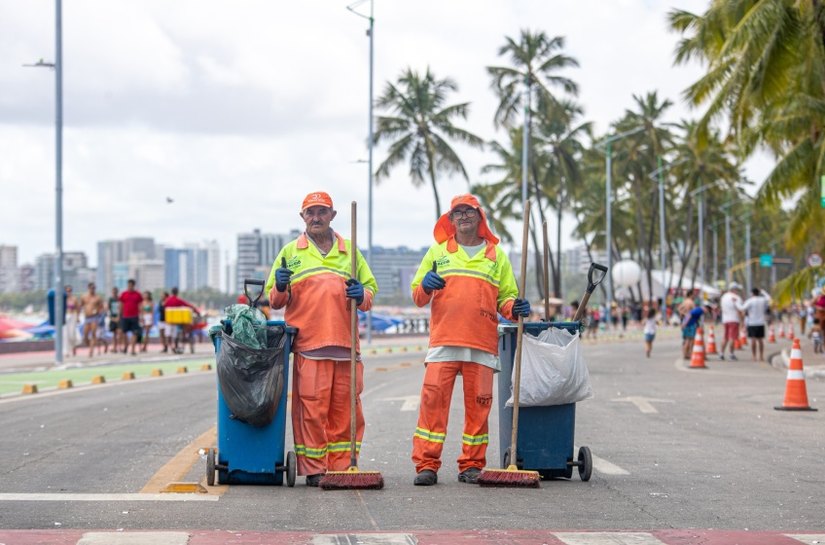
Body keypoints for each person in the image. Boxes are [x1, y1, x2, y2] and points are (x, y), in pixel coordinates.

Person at [409, 193, 530, 486]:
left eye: (469, 211)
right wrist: (426, 284)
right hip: (443, 344)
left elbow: (506, 298)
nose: (464, 216)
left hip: (482, 345)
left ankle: (472, 465)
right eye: (458, 212)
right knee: (432, 406)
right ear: (451, 220)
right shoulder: (437, 253)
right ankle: (426, 465)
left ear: (479, 217)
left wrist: (516, 308)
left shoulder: (495, 256)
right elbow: (417, 296)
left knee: (479, 410)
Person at [265, 191, 378, 487]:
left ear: (332, 215)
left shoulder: (350, 251)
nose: (316, 217)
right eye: (310, 212)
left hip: (345, 346)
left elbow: (369, 293)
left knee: (346, 411)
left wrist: (361, 294)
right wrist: (279, 285)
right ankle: (315, 469)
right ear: (302, 217)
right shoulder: (291, 252)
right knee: (311, 412)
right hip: (308, 347)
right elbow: (275, 301)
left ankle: (341, 467)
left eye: (322, 212)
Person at [163, 287, 200, 354]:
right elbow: (188, 305)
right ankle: (186, 341)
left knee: (171, 335)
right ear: (177, 292)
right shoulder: (178, 300)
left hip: (170, 321)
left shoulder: (168, 300)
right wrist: (197, 311)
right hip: (180, 321)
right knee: (187, 330)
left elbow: (164, 308)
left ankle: (172, 347)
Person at [737, 288, 769, 362]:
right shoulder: (762, 299)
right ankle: (761, 356)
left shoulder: (750, 301)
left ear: (752, 293)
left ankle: (754, 356)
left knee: (753, 340)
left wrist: (736, 302)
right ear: (758, 293)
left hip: (752, 323)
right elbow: (769, 298)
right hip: (761, 322)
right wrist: (763, 292)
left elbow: (742, 308)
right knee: (760, 340)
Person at [719, 282, 744, 361]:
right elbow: (740, 309)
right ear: (734, 289)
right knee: (732, 338)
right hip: (734, 319)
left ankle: (721, 353)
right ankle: (731, 354)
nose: (737, 291)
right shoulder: (736, 297)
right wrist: (742, 321)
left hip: (725, 319)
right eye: (737, 290)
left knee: (725, 337)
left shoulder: (723, 297)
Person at [119, 279, 143, 355]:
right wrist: (120, 315)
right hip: (125, 316)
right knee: (123, 333)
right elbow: (121, 305)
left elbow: (140, 306)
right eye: (128, 285)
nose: (129, 287)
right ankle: (126, 347)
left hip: (134, 316)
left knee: (135, 333)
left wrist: (141, 316)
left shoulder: (138, 294)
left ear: (133, 285)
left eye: (131, 285)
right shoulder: (123, 294)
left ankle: (132, 349)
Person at [79, 282, 105, 357]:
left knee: (93, 334)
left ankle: (91, 351)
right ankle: (91, 345)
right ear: (88, 288)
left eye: (94, 288)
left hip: (94, 317)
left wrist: (99, 313)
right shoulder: (84, 297)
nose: (93, 289)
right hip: (87, 318)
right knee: (85, 336)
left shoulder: (97, 298)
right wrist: (78, 316)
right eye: (91, 288)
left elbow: (102, 307)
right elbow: (81, 306)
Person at [64, 285, 80, 357]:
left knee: (72, 334)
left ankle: (74, 346)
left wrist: (78, 317)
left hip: (73, 316)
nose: (68, 292)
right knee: (66, 335)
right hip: (65, 317)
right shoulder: (63, 299)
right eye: (67, 291)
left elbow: (78, 308)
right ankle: (67, 351)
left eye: (70, 291)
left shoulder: (74, 299)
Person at [108, 287, 122, 353]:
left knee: (119, 333)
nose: (114, 293)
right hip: (113, 318)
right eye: (113, 292)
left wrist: (118, 317)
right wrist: (111, 318)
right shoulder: (110, 300)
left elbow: (121, 308)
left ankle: (120, 347)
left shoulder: (120, 299)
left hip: (119, 318)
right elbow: (108, 309)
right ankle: (114, 348)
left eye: (115, 291)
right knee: (114, 334)